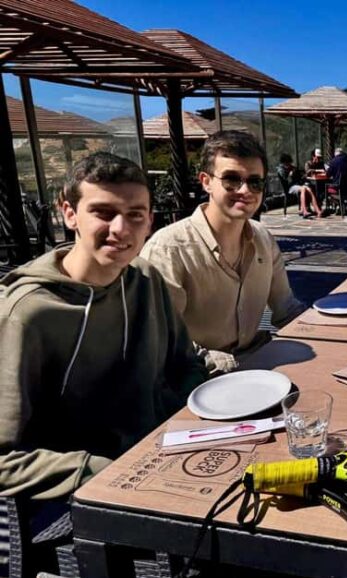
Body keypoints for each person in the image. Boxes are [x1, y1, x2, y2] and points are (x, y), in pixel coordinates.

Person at [0, 152, 207, 499]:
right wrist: (106, 471)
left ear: (150, 221)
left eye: (134, 215)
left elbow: (185, 364)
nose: (120, 229)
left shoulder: (145, 278)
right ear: (68, 213)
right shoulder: (27, 314)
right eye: (103, 213)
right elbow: (5, 458)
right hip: (94, 493)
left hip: (167, 452)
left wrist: (198, 415)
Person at [141, 131, 304, 376]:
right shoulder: (169, 248)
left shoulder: (262, 238)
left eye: (255, 181)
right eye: (231, 180)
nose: (245, 190)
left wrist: (333, 328)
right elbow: (158, 339)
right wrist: (218, 362)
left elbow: (285, 309)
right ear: (206, 181)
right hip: (197, 376)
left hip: (260, 361)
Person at [278, 153, 323, 219]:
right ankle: (304, 211)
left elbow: (299, 177)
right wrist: (290, 175)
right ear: (284, 163)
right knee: (303, 189)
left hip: (296, 185)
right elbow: (286, 180)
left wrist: (300, 174)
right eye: (287, 164)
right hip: (289, 188)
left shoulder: (291, 167)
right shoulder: (280, 169)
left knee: (309, 189)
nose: (289, 165)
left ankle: (317, 210)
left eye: (289, 163)